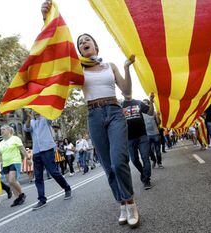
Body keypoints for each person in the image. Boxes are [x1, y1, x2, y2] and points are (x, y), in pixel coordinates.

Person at [42, 1, 140, 226]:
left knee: (119, 161)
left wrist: (126, 68)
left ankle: (132, 202)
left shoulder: (110, 66)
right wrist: (46, 18)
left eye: (87, 40)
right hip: (94, 115)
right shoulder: (78, 68)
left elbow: (126, 92)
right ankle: (122, 204)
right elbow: (55, 51)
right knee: (107, 165)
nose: (83, 42)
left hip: (115, 111)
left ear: (95, 45)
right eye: (80, 42)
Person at [24, 110, 72, 210]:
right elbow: (27, 128)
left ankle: (67, 188)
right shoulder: (32, 121)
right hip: (36, 151)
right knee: (38, 177)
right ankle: (42, 199)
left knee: (54, 172)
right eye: (32, 109)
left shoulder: (45, 118)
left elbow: (51, 116)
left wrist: (44, 110)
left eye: (35, 108)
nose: (34, 110)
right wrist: (28, 117)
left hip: (47, 150)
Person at [122, 93, 155, 190]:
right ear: (122, 93)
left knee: (145, 158)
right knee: (134, 160)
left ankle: (147, 180)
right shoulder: (120, 106)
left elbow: (150, 113)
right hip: (129, 138)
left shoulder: (139, 103)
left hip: (142, 136)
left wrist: (151, 102)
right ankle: (143, 173)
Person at [0, 125, 26, 207]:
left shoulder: (15, 138)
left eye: (3, 129)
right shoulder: (1, 142)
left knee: (11, 180)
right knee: (10, 183)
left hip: (14, 161)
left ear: (9, 130)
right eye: (1, 130)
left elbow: (22, 149)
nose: (1, 131)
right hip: (5, 164)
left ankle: (22, 194)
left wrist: (27, 159)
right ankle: (17, 198)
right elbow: (0, 155)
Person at [142, 100, 164, 169]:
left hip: (155, 134)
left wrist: (158, 116)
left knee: (157, 150)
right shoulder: (141, 114)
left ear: (149, 105)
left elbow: (158, 123)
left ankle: (159, 163)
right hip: (147, 135)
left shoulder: (153, 113)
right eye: (143, 104)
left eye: (145, 103)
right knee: (149, 151)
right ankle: (154, 160)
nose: (144, 105)